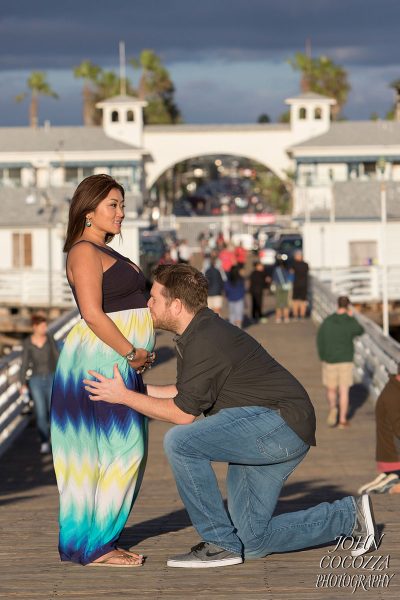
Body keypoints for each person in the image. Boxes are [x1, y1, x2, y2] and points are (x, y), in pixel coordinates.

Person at [84, 264, 378, 569]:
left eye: (154, 298)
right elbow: (184, 393)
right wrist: (135, 389)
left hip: (278, 423)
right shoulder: (198, 332)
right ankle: (349, 516)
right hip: (275, 426)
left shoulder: (205, 339)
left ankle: (218, 542)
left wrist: (124, 398)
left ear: (176, 305)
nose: (148, 304)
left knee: (180, 442)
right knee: (252, 541)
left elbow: (182, 414)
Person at [50, 174, 156, 568]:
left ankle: (87, 543)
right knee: (121, 450)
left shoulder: (101, 250)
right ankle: (97, 546)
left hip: (115, 360)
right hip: (104, 361)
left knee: (105, 453)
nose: (121, 213)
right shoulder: (83, 251)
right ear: (88, 210)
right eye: (113, 204)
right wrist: (132, 353)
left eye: (122, 205)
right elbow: (92, 314)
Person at [317, 296, 364, 429]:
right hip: (345, 359)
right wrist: (352, 317)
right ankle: (342, 420)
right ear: (348, 306)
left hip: (329, 359)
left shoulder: (328, 321)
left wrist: (322, 356)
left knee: (331, 389)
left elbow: (320, 339)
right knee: (344, 391)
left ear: (337, 305)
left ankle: (333, 407)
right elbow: (360, 330)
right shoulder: (349, 321)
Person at [20, 313, 59, 454]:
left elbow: (57, 356)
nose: (45, 328)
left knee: (53, 412)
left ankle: (55, 441)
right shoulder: (27, 343)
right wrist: (22, 383)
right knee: (41, 413)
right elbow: (24, 364)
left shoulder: (49, 338)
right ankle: (44, 441)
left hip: (51, 377)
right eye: (42, 326)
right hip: (35, 381)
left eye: (45, 325)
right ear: (35, 327)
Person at [358, 367, 400, 494]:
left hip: (389, 453)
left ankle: (388, 478)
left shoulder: (393, 388)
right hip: (394, 455)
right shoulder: (393, 395)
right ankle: (392, 482)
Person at [272, 259, 292, 323]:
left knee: (278, 303)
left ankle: (278, 317)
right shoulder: (287, 270)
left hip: (278, 287)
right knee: (286, 302)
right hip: (286, 287)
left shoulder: (276, 270)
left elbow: (274, 278)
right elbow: (290, 278)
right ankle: (286, 317)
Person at [291, 250, 309, 320]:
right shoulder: (306, 264)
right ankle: (302, 315)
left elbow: (291, 272)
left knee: (295, 300)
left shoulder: (294, 264)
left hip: (296, 284)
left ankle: (295, 315)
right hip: (304, 284)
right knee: (303, 300)